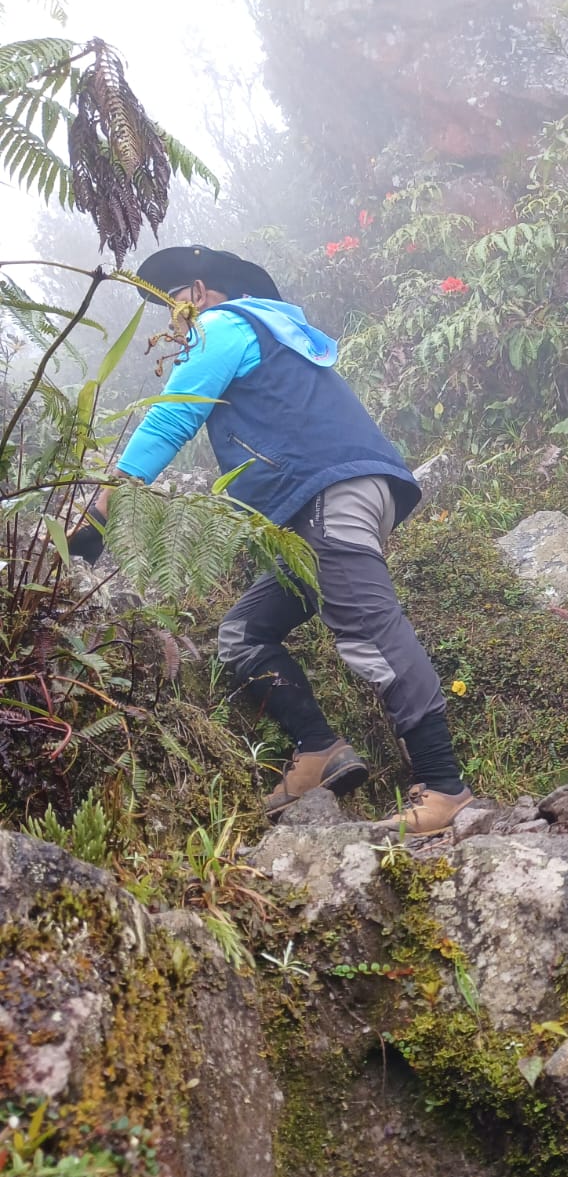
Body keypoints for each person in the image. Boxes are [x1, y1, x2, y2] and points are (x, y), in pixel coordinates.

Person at [68, 244, 472, 834]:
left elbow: (171, 416)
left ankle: (443, 785)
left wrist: (99, 510)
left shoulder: (223, 324)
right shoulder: (271, 333)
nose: (172, 325)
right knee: (244, 633)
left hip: (330, 495)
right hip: (332, 500)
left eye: (171, 305)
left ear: (198, 293)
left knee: (369, 631)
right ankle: (319, 751)